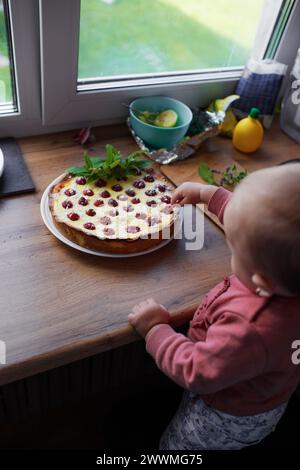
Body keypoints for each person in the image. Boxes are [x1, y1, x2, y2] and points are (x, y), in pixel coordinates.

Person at [128, 163, 300, 450]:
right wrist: (208, 195)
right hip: (267, 391)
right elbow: (252, 221)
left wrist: (155, 329)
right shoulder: (286, 272)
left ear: (261, 281)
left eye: (234, 247)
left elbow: (197, 371)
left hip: (225, 415)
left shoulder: (250, 328)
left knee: (178, 447)